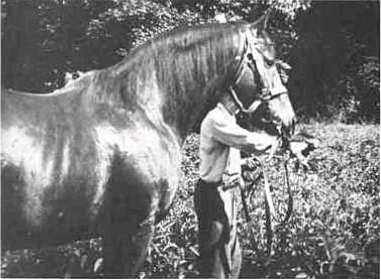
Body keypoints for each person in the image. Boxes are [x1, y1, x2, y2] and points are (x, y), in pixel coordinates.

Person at [194, 91, 280, 279]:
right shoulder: (216, 118)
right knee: (217, 265)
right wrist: (274, 143)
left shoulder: (228, 118)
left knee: (233, 258)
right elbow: (244, 140)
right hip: (213, 195)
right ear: (226, 97)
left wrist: (242, 164)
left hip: (225, 192)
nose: (241, 102)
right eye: (237, 97)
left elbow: (219, 154)